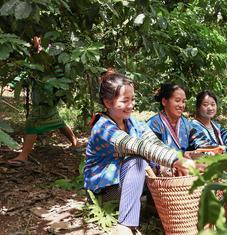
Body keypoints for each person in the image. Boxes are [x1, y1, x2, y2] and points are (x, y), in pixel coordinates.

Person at [84, 70, 195, 235]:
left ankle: (153, 207)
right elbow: (135, 145)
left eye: (132, 99)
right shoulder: (103, 127)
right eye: (124, 100)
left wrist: (176, 160)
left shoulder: (134, 123)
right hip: (106, 191)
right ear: (107, 102)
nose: (131, 105)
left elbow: (155, 143)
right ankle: (126, 225)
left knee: (158, 163)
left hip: (129, 185)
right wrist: (173, 159)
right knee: (137, 160)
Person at [7, 36, 78, 167]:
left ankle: (23, 156)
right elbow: (24, 71)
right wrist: (12, 84)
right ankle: (75, 142)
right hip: (41, 96)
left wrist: (63, 92)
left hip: (46, 98)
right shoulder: (33, 60)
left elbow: (59, 75)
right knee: (57, 121)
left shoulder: (51, 58)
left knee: (31, 124)